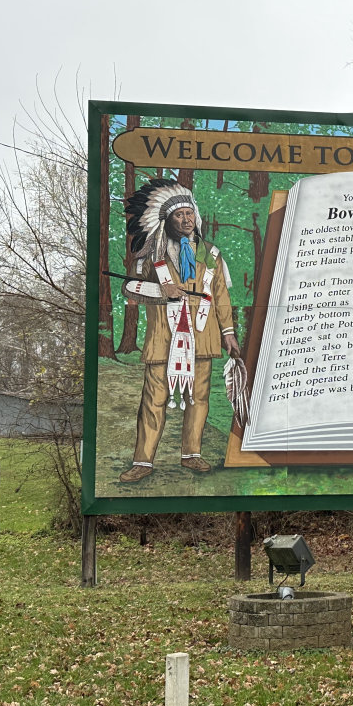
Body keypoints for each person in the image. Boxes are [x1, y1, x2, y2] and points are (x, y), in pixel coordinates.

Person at [118, 179, 240, 483]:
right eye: (178, 215)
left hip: (203, 336)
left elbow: (221, 296)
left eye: (189, 214)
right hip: (164, 337)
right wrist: (161, 289)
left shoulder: (211, 254)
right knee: (154, 398)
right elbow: (129, 287)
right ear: (167, 220)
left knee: (199, 397)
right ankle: (143, 462)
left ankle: (191, 454)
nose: (185, 220)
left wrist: (228, 333)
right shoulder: (151, 254)